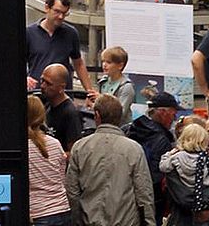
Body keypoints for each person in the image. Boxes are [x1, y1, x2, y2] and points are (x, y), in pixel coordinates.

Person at [65, 94, 155, 226]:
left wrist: (77, 220)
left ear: (97, 115)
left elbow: (72, 191)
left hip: (89, 220)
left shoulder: (80, 147)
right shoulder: (134, 149)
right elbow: (144, 192)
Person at [127, 92, 183, 225]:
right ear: (163, 112)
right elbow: (157, 176)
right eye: (173, 114)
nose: (174, 119)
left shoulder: (131, 130)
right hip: (153, 200)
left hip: (129, 195)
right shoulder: (162, 140)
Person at [26, 0, 92, 92]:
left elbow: (78, 64)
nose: (61, 17)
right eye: (57, 11)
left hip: (62, 93)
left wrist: (89, 91)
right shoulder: (29, 33)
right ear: (47, 8)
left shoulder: (71, 33)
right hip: (38, 91)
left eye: (64, 13)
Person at [160, 124, 209, 226]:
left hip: (182, 215)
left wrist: (170, 154)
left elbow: (163, 166)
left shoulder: (175, 159)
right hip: (207, 209)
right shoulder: (207, 159)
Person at [27, 95, 71, 226]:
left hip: (37, 214)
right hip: (63, 210)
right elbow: (62, 178)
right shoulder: (55, 144)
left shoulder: (22, 148)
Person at [41, 64, 83, 153]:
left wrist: (54, 156)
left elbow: (73, 152)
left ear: (61, 88)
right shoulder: (47, 105)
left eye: (48, 84)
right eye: (42, 80)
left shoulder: (71, 114)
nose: (43, 86)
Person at [97, 46, 135, 125]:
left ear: (120, 66)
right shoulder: (103, 82)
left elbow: (120, 114)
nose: (104, 65)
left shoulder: (126, 87)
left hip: (120, 128)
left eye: (109, 62)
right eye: (103, 61)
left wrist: (100, 100)